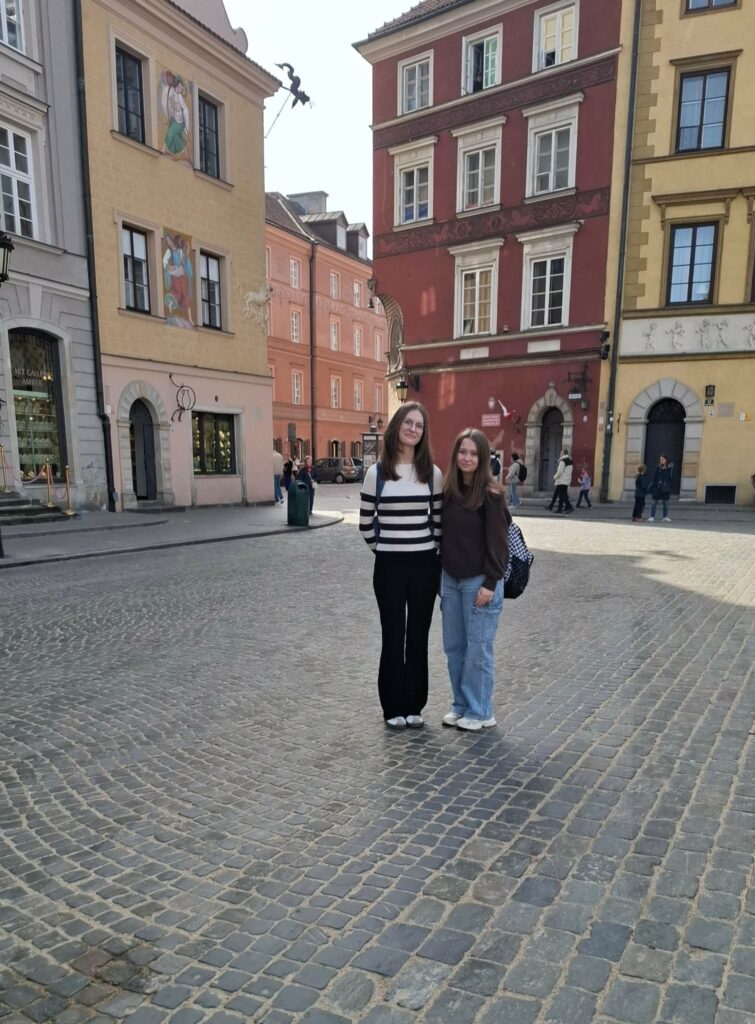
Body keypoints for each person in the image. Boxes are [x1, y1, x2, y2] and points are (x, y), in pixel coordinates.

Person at [359, 402, 443, 731]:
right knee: (393, 635)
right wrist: (387, 550)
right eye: (408, 422)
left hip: (424, 565)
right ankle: (392, 705)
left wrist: (424, 551)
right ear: (397, 426)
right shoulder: (377, 474)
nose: (413, 429)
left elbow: (438, 524)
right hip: (389, 567)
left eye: (419, 425)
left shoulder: (432, 474)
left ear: (424, 433)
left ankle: (414, 705)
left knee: (418, 636)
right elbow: (366, 524)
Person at [441, 429, 510, 732]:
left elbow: (499, 543)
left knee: (478, 650)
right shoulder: (449, 492)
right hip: (451, 580)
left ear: (482, 459)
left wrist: (491, 582)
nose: (467, 458)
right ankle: (461, 705)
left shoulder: (491, 495)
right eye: (462, 452)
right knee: (455, 648)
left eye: (473, 453)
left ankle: (481, 710)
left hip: (479, 582)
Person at [648, 454, 673, 522]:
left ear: (666, 460)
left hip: (665, 488)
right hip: (657, 487)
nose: (661, 460)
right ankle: (652, 516)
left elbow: (670, 478)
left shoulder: (669, 468)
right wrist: (656, 483)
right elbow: (654, 477)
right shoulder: (658, 467)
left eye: (662, 459)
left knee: (666, 503)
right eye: (660, 459)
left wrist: (669, 485)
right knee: (654, 502)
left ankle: (665, 517)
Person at [553, 448, 574, 513]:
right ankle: (560, 509)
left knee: (562, 495)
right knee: (562, 495)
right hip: (567, 480)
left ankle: (569, 506)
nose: (560, 454)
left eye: (561, 453)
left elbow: (560, 472)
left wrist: (555, 477)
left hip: (562, 480)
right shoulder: (570, 461)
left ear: (563, 453)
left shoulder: (563, 461)